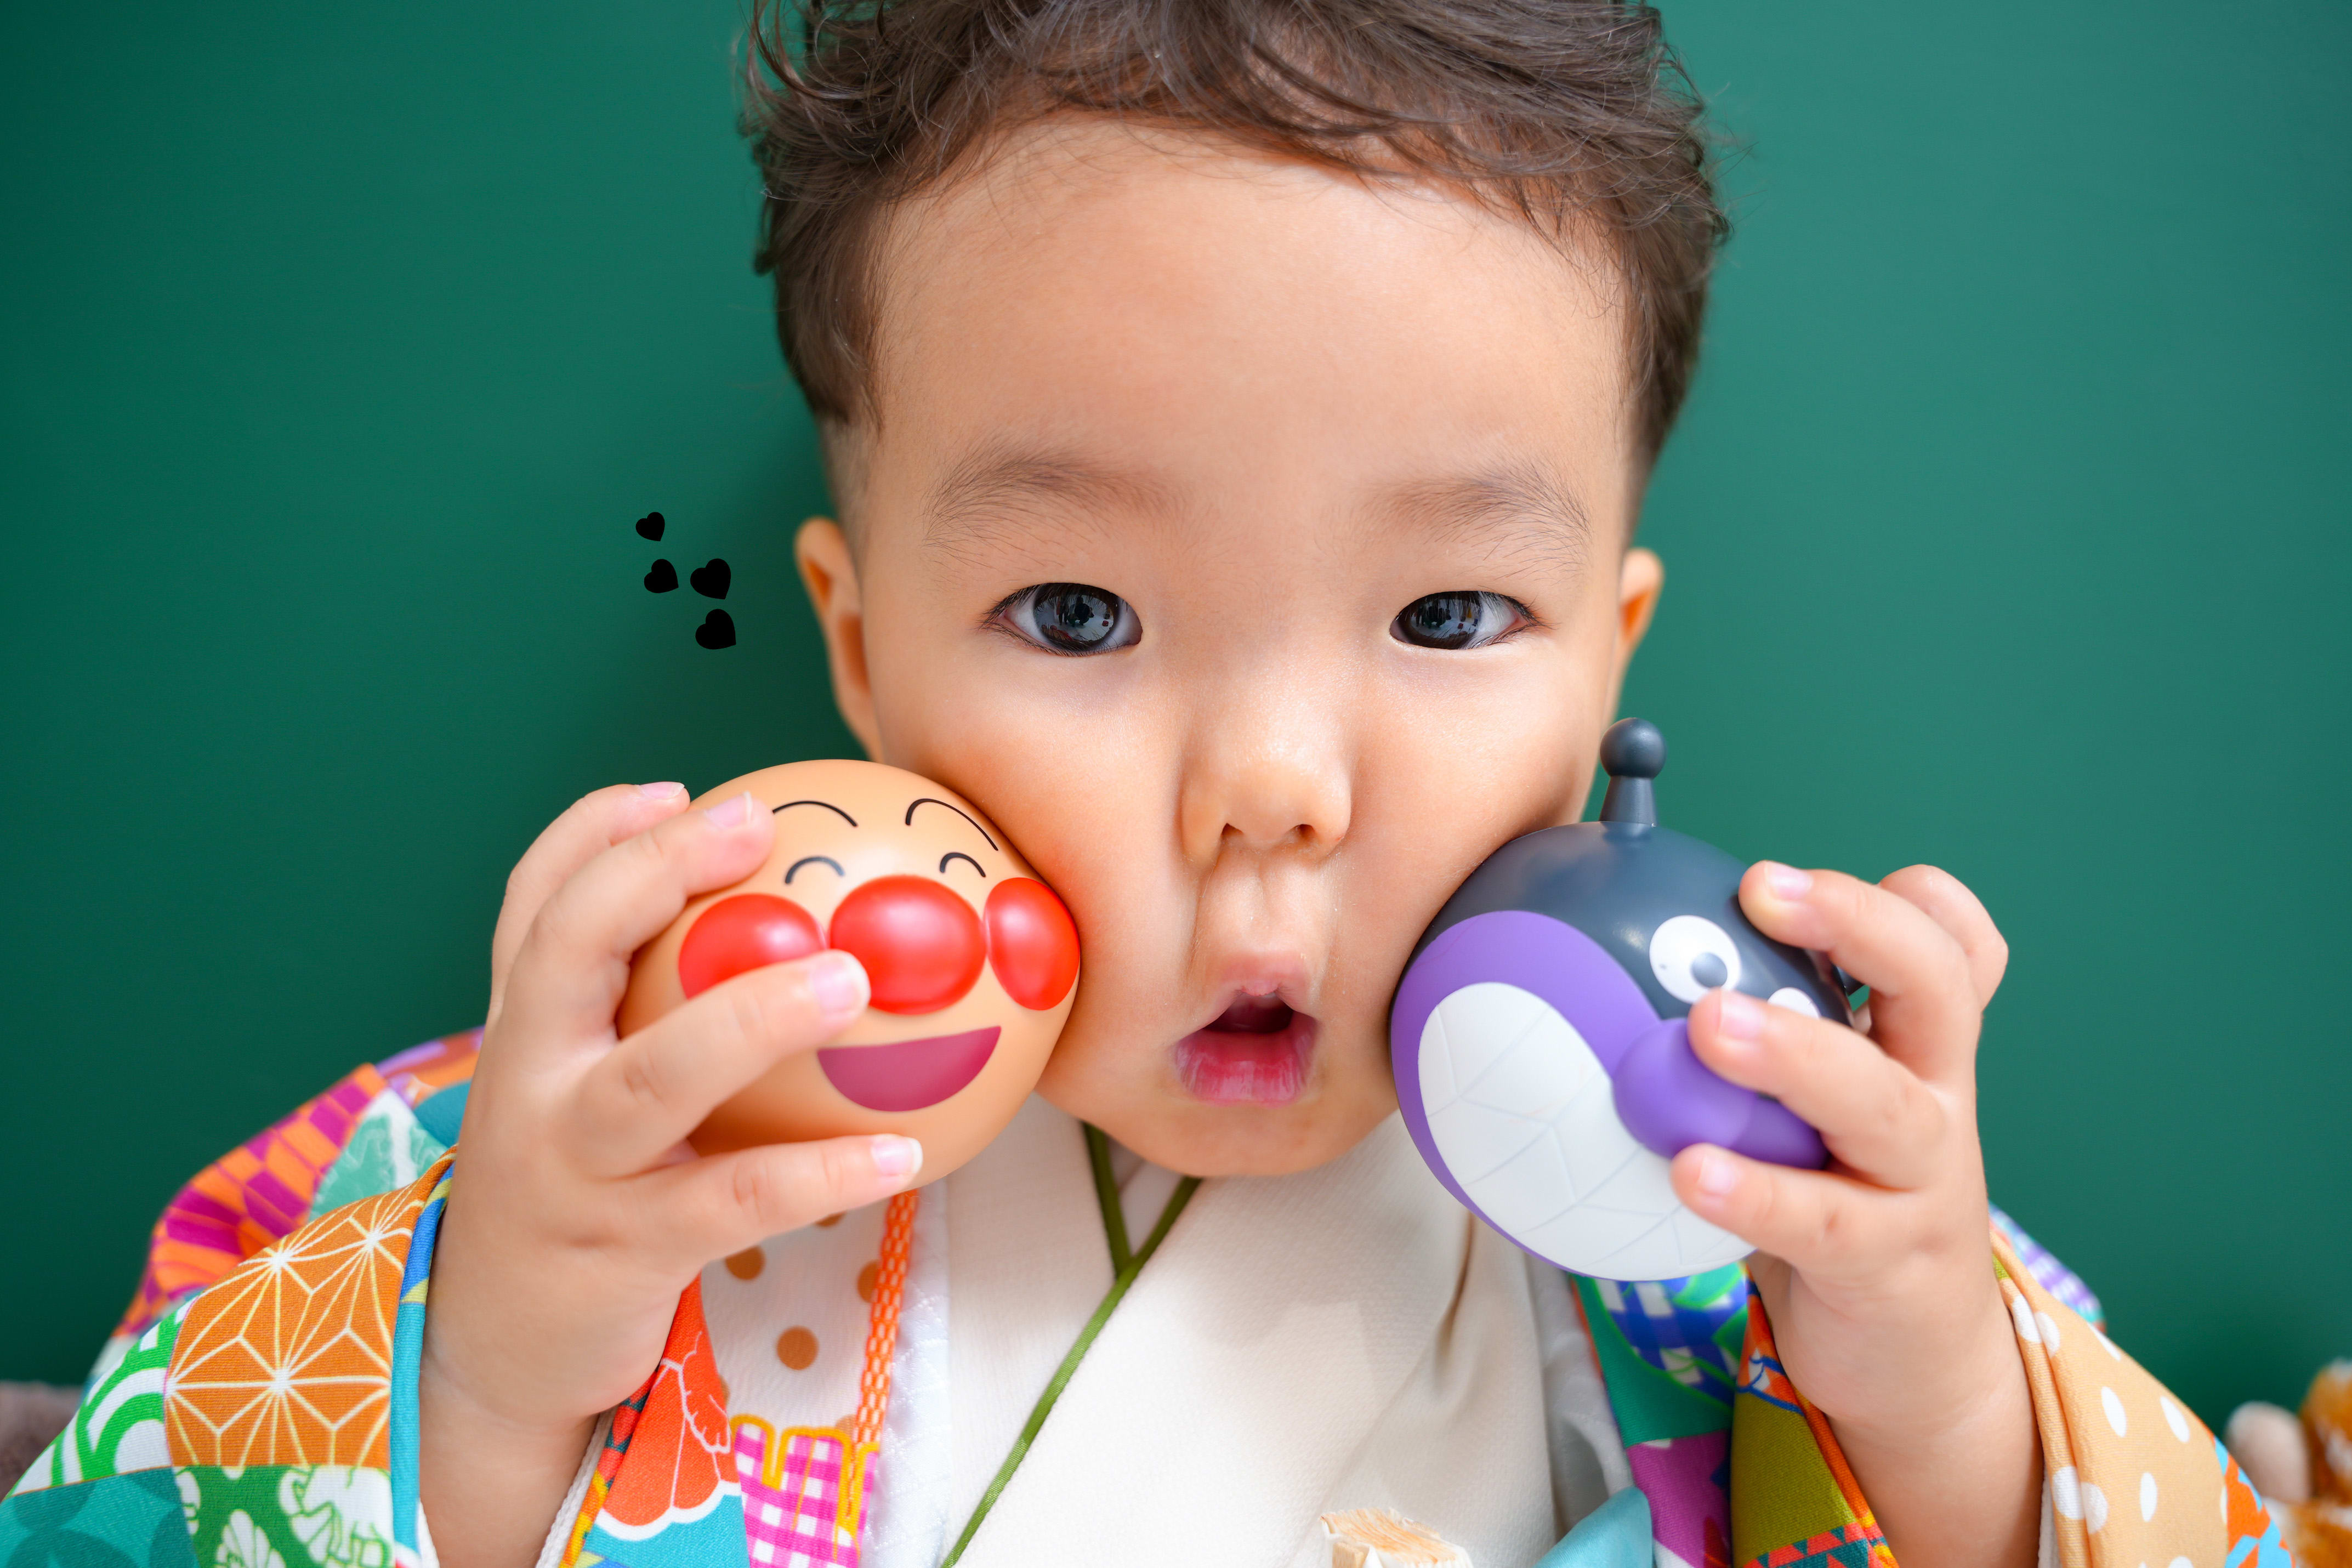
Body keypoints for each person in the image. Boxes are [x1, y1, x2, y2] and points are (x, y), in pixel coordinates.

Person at [0, 4, 2296, 1567]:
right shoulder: (586, 1163)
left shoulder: (1737, 1228)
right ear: (861, 652)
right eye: (1080, 616)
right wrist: (483, 1378)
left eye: (1447, 619)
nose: (1271, 789)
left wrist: (1943, 1420)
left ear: (1609, 673)